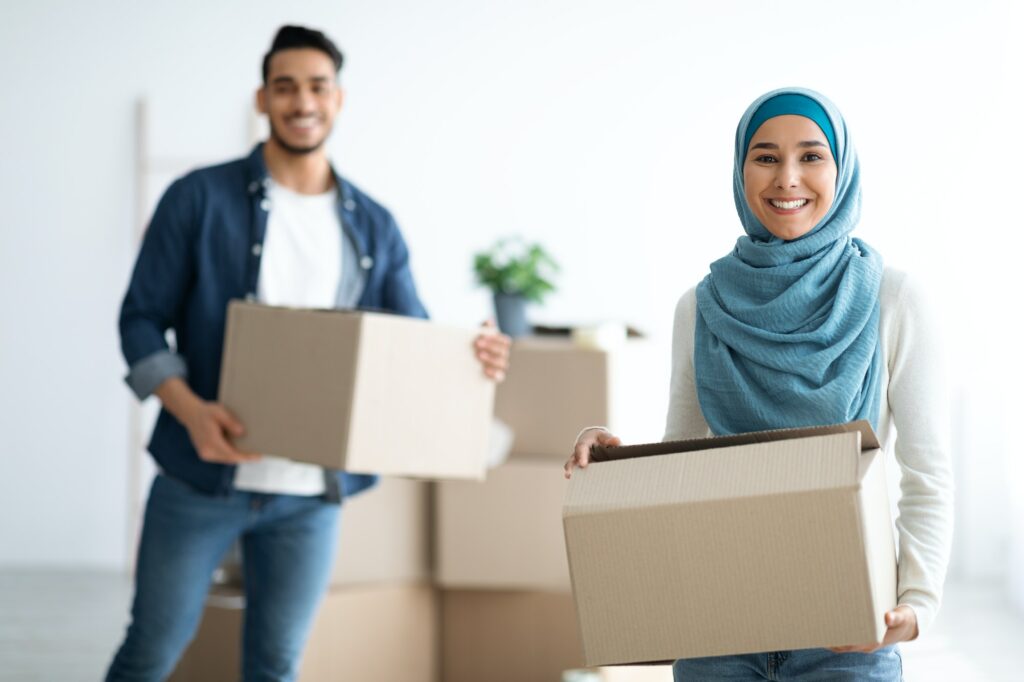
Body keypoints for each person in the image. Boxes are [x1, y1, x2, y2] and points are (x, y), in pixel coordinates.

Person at [107, 25, 510, 682]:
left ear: (339, 99)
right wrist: (191, 413)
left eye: (317, 86)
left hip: (310, 497)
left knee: (277, 665)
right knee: (150, 652)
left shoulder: (373, 225)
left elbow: (410, 342)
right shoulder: (197, 198)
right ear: (262, 100)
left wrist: (473, 356)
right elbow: (140, 322)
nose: (302, 102)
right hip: (198, 478)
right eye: (285, 87)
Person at [565, 87, 953, 681]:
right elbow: (688, 464)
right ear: (741, 169)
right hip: (718, 631)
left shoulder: (892, 298)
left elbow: (927, 474)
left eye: (812, 156)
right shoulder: (701, 306)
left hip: (845, 635)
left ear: (841, 168)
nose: (787, 178)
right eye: (766, 157)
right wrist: (619, 460)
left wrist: (916, 606)